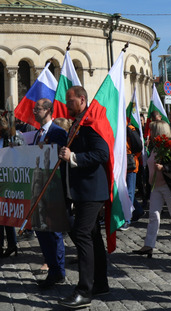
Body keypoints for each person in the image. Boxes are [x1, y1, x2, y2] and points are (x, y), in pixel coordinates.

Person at [57, 86, 110, 309]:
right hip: (81, 189)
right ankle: (100, 282)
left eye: (70, 101)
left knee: (81, 234)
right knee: (92, 235)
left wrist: (73, 156)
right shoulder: (79, 122)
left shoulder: (91, 123)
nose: (67, 105)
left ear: (81, 99)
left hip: (92, 190)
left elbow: (101, 153)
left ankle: (84, 291)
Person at [133, 118, 171, 258]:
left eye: (153, 130)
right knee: (153, 216)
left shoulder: (169, 146)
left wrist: (164, 167)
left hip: (169, 186)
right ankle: (149, 245)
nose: (150, 133)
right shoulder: (154, 147)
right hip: (156, 186)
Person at [36, 112, 70, 289]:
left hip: (54, 188)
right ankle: (52, 268)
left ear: (47, 111)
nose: (34, 111)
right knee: (42, 231)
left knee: (54, 232)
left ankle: (58, 271)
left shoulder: (57, 132)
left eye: (38, 109)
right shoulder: (38, 132)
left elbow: (60, 159)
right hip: (39, 187)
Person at [0, 115, 20, 260]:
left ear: (1, 124)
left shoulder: (11, 137)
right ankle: (4, 245)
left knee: (3, 214)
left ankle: (4, 245)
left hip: (7, 179)